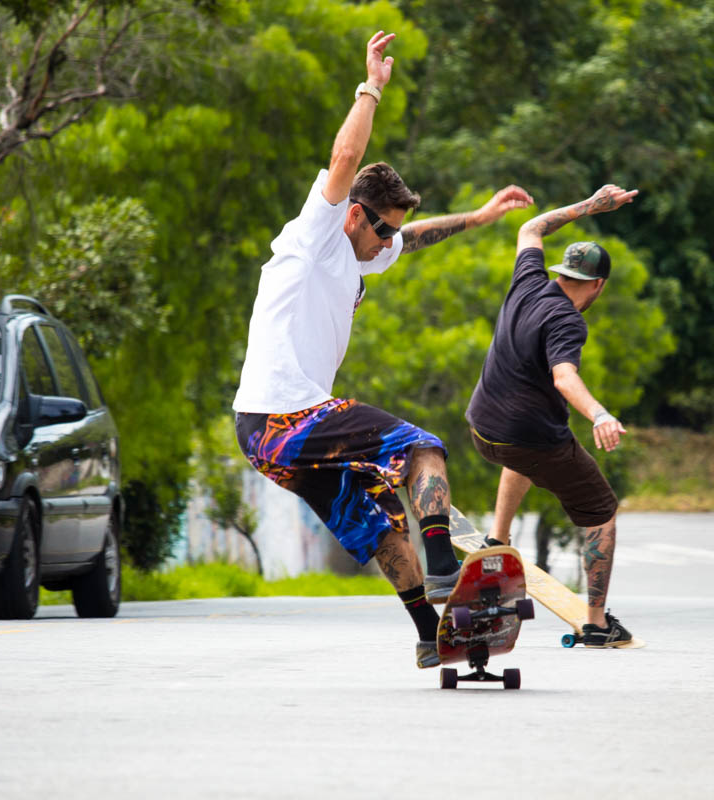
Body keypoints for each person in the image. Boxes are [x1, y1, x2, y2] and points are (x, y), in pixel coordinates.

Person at [232, 31, 533, 669]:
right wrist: (371, 87)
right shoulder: (314, 232)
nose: (387, 243)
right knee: (420, 447)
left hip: (261, 435)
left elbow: (415, 235)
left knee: (373, 524)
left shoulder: (363, 249)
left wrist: (478, 220)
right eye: (382, 229)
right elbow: (345, 158)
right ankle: (446, 567)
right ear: (354, 213)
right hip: (288, 415)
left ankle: (430, 633)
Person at [465, 183, 639, 648]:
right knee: (601, 512)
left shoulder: (527, 280)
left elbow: (531, 226)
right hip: (527, 437)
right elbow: (565, 378)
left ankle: (496, 540)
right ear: (598, 285)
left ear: (561, 270)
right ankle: (597, 623)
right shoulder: (567, 320)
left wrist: (590, 206)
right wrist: (599, 413)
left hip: (483, 427)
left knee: (523, 453)